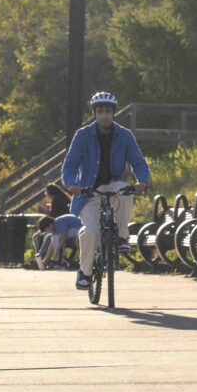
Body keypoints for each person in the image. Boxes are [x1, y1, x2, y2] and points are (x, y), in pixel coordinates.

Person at [61, 90, 151, 291]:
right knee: (91, 230)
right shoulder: (82, 135)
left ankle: (121, 237)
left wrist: (142, 181)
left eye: (108, 111)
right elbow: (71, 164)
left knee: (125, 190)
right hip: (88, 190)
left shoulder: (125, 135)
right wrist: (71, 185)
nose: (104, 115)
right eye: (100, 111)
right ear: (94, 113)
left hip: (113, 184)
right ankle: (85, 273)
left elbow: (138, 161)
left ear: (114, 113)